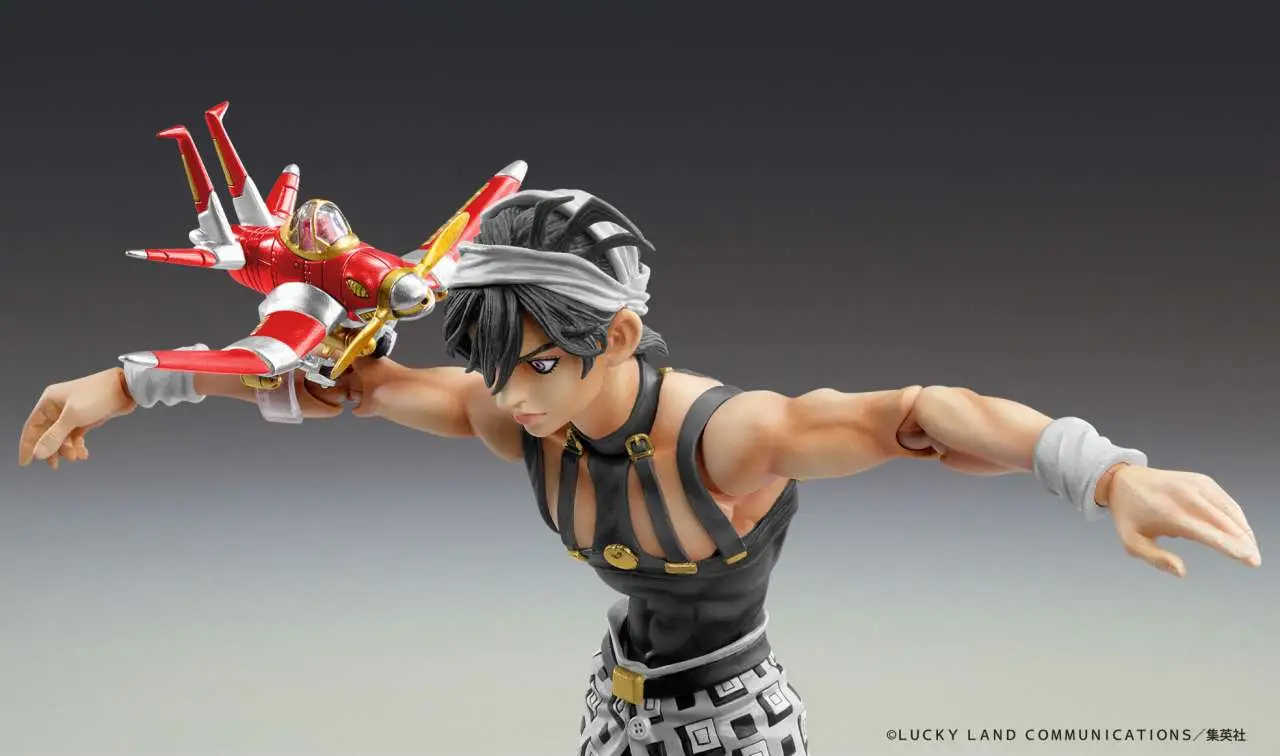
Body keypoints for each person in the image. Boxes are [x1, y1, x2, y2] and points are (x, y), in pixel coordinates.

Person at [18, 188, 1262, 755]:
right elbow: (338, 381)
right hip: (614, 708)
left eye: (534, 364)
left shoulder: (726, 439)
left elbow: (914, 414)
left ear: (613, 334)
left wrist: (1100, 473)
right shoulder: (514, 418)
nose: (509, 393)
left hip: (730, 723)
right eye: (492, 365)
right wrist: (131, 383)